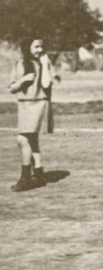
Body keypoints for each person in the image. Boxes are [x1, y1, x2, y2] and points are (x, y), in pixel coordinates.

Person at [8, 38, 54, 191]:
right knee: (31, 140)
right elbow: (12, 88)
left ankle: (25, 178)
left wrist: (45, 64)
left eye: (41, 46)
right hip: (24, 105)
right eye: (36, 47)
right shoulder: (19, 64)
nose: (40, 50)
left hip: (39, 103)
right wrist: (23, 80)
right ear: (27, 48)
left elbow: (46, 84)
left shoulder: (44, 63)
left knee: (22, 139)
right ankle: (38, 174)